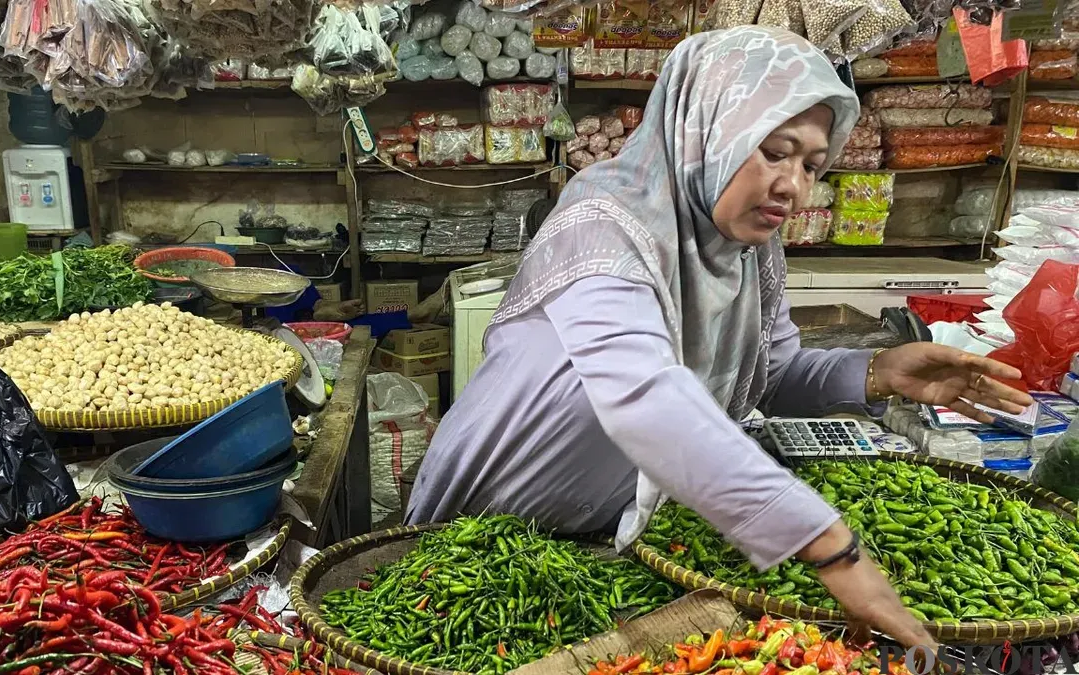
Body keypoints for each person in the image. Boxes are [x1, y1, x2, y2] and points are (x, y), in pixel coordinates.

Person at [406, 26, 1032, 650]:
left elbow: (771, 372)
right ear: (707, 129)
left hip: (599, 539)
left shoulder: (748, 250)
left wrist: (877, 371)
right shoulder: (601, 225)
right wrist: (826, 542)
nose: (794, 185)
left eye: (812, 165)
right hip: (489, 520)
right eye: (775, 151)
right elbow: (645, 396)